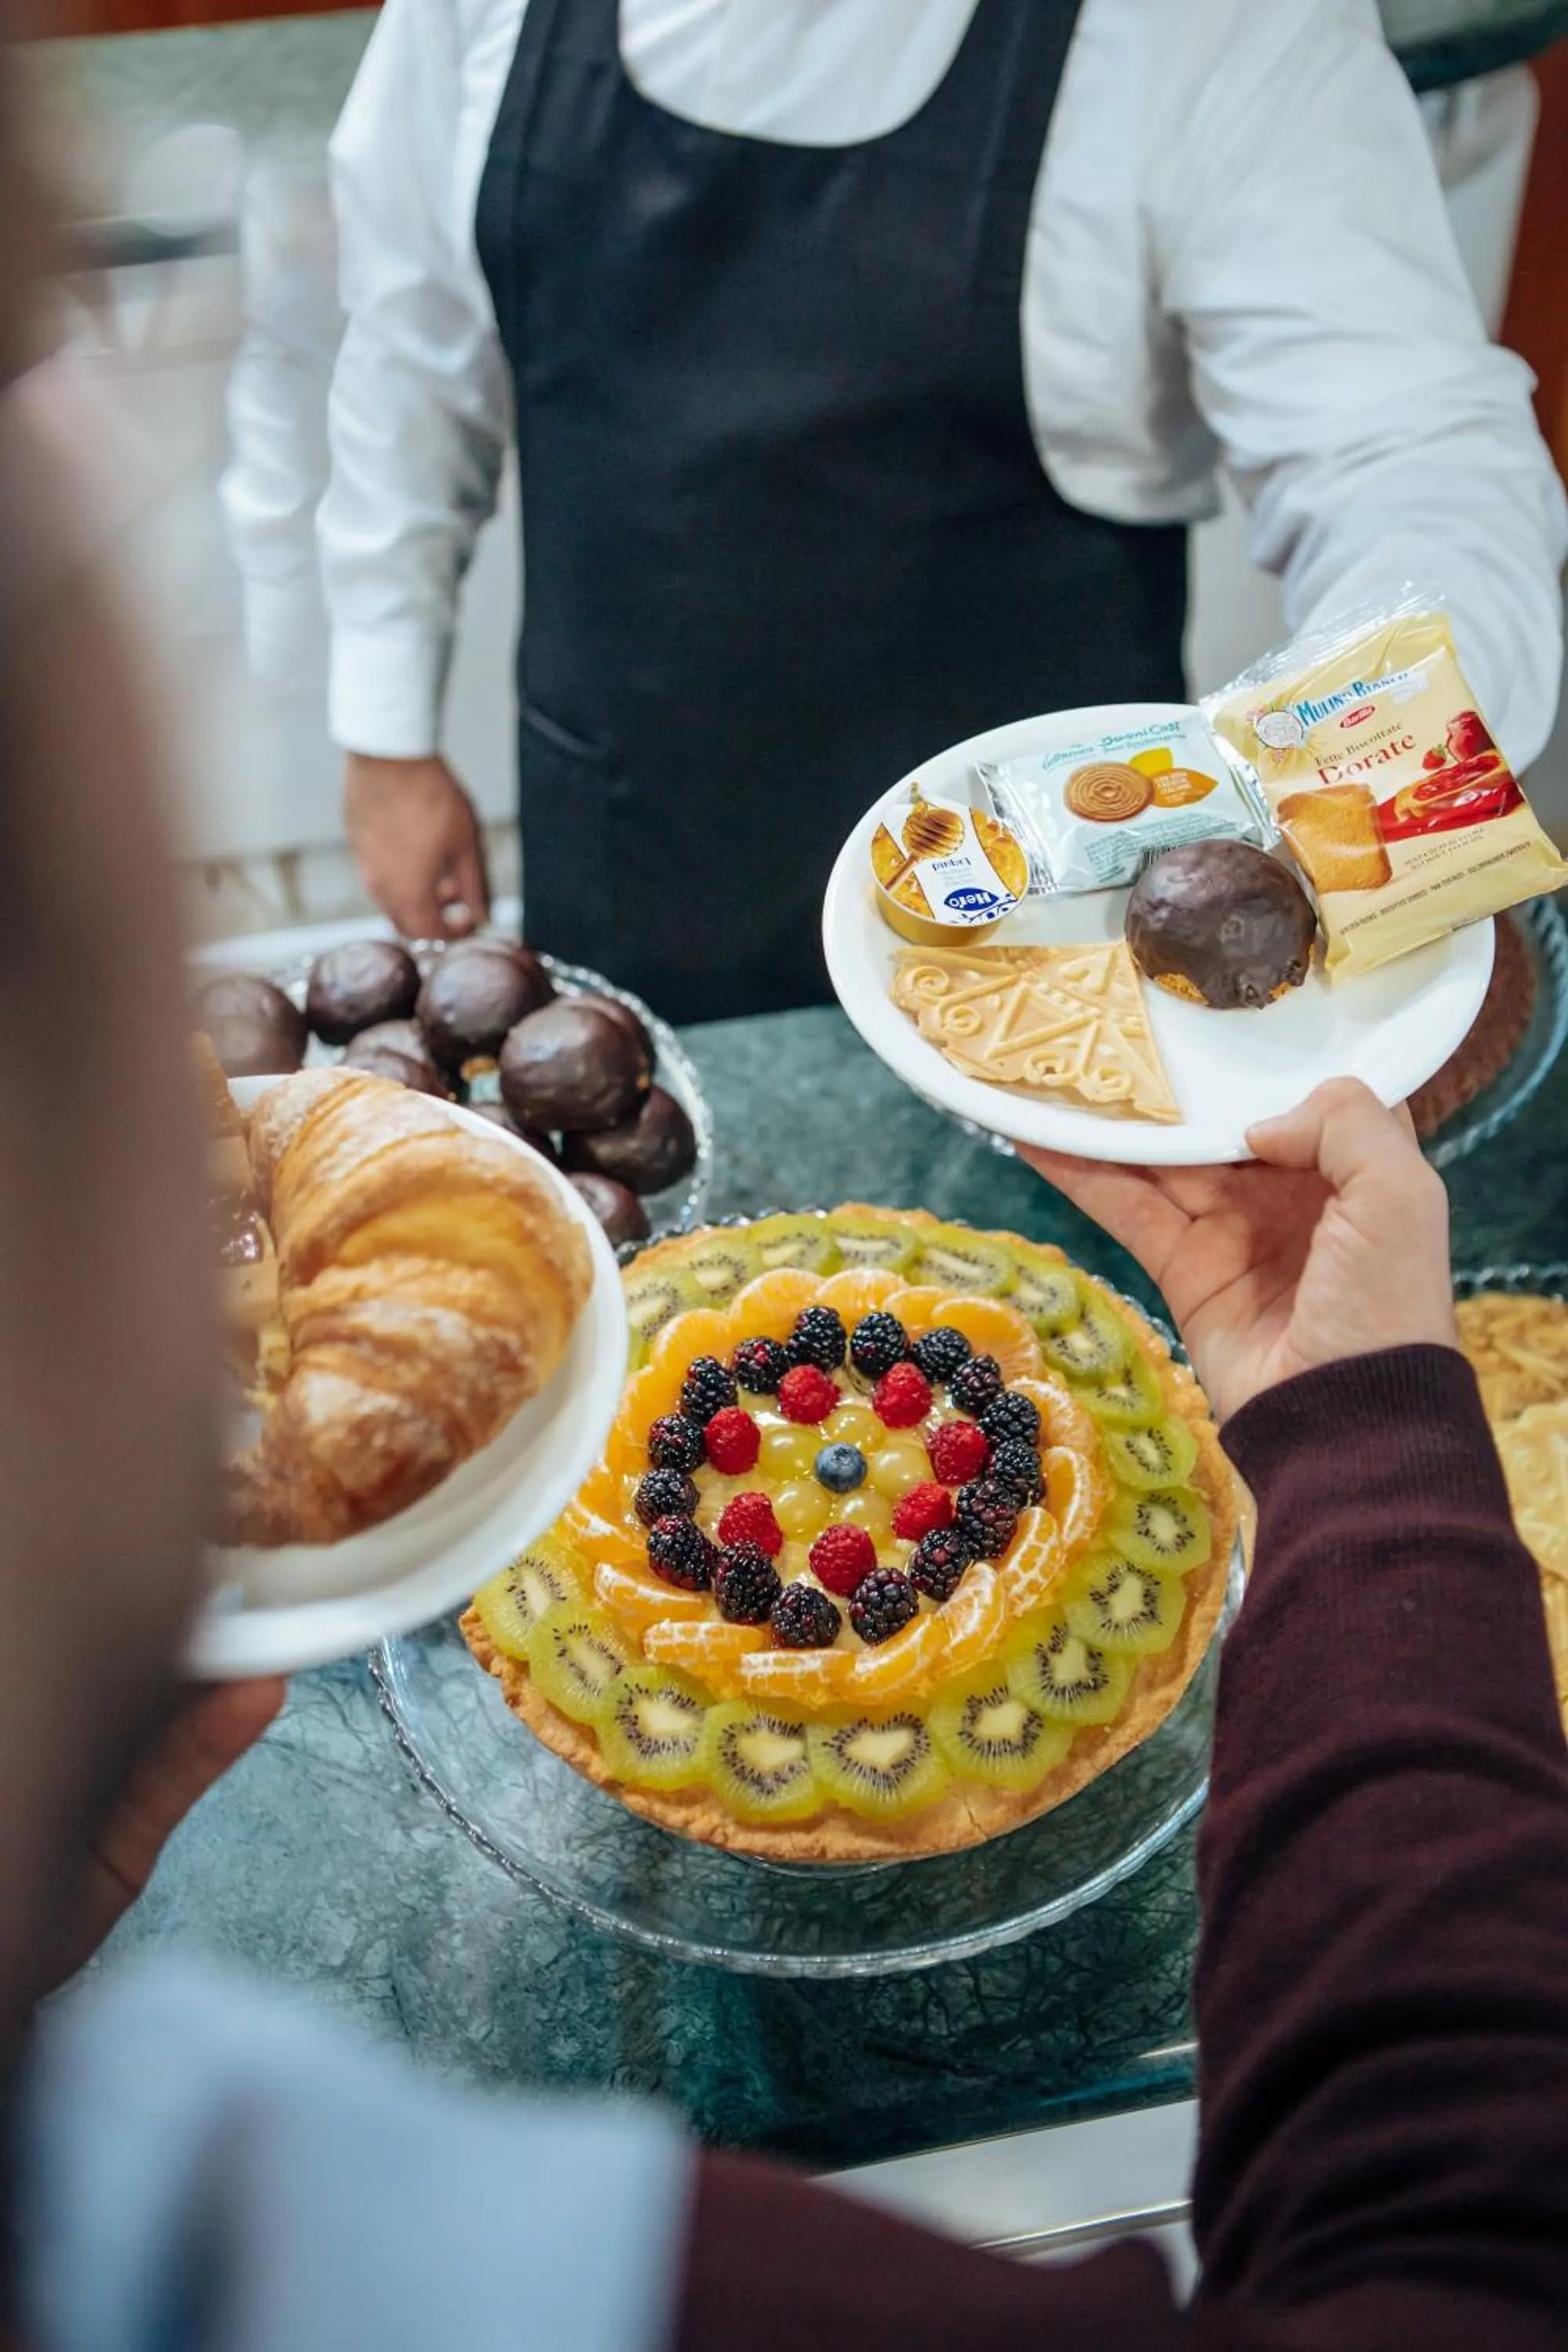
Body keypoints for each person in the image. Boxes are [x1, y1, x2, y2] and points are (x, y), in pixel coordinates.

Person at [9, 151, 1568, 2334]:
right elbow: (409, 325)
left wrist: (1352, 767)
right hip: (645, 805)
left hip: (1030, 896)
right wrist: (390, 700)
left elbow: (1414, 435)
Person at [303, 0, 1567, 1017]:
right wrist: (384, 727)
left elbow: (1408, 459)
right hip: (633, 840)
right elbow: (411, 350)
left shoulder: (1205, 30)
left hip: (1046, 947)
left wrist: (1369, 801)